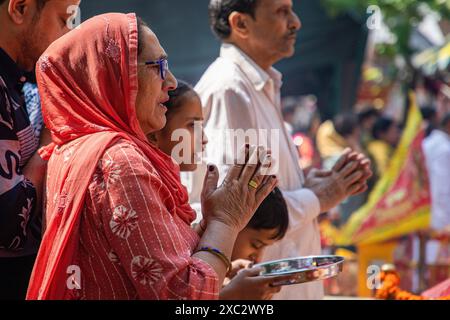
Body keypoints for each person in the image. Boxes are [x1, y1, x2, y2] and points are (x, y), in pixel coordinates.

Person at [26, 13, 278, 300]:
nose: (170, 82)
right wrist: (226, 222)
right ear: (114, 74)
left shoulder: (74, 150)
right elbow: (184, 294)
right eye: (158, 66)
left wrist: (207, 225)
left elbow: (134, 253)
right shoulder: (119, 160)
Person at [185, 0, 372, 299]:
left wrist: (306, 187)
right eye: (282, 11)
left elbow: (262, 192)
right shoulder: (230, 90)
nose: (295, 22)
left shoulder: (253, 85)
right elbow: (236, 209)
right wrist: (318, 196)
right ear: (241, 24)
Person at [151, 80, 290, 299]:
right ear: (155, 129)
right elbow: (177, 295)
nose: (204, 139)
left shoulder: (168, 190)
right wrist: (231, 295)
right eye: (192, 125)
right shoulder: (142, 185)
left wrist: (221, 265)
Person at [0, 0, 80, 299]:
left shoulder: (18, 80)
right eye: (63, 20)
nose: (68, 35)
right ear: (19, 8)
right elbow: (8, 222)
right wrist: (52, 132)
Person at [422, 112, 450, 264]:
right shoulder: (444, 149)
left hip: (425, 215)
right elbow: (443, 190)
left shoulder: (427, 143)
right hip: (441, 219)